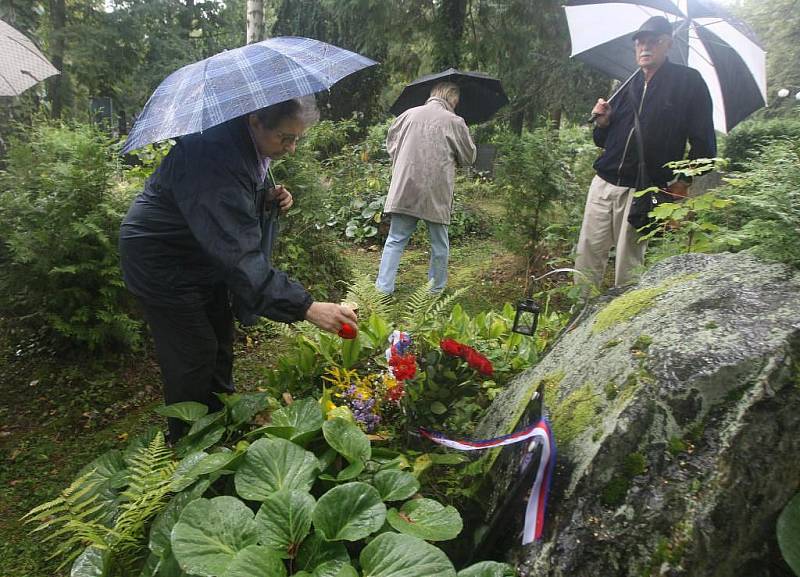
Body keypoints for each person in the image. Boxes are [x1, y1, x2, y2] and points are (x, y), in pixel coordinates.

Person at [119, 97, 357, 441]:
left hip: (200, 254)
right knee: (195, 353)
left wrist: (265, 198)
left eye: (296, 140)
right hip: (161, 259)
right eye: (285, 138)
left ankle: (221, 425)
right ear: (256, 120)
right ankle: (187, 445)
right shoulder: (212, 153)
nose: (290, 149)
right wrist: (306, 307)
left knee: (220, 339)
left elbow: (225, 207)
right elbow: (238, 254)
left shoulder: (240, 141)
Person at [574, 15, 717, 290]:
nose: (645, 48)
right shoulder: (627, 84)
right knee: (587, 255)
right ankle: (578, 319)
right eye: (640, 42)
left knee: (629, 264)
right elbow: (606, 140)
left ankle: (622, 325)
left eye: (654, 41)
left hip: (643, 188)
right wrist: (602, 124)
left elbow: (705, 145)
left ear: (668, 44)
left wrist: (682, 181)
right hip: (603, 183)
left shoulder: (689, 83)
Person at [375, 82, 476, 295]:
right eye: (456, 100)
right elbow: (469, 157)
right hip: (436, 190)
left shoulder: (407, 115)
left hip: (406, 185)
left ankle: (383, 290)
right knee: (439, 244)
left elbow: (392, 146)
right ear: (452, 98)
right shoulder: (455, 122)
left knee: (395, 239)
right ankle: (435, 290)